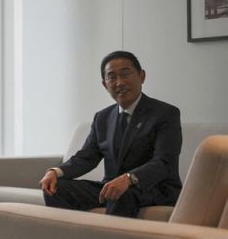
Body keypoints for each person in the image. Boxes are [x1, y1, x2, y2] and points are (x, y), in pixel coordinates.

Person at [39, 50, 182, 218]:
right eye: (112, 77)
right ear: (105, 84)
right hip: (112, 188)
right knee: (58, 189)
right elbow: (86, 157)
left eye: (125, 74)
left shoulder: (165, 113)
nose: (119, 82)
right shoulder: (103, 117)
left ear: (141, 76)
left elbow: (163, 162)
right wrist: (55, 172)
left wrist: (129, 178)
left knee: (121, 193)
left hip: (153, 189)